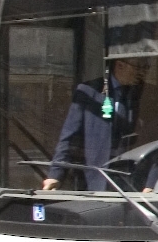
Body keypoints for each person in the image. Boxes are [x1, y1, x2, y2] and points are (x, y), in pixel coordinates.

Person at [42, 57, 150, 191]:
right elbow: (69, 138)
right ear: (120, 65)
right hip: (95, 181)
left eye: (146, 68)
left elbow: (156, 139)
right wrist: (55, 175)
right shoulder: (88, 92)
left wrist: (150, 183)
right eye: (138, 67)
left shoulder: (148, 95)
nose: (142, 73)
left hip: (132, 183)